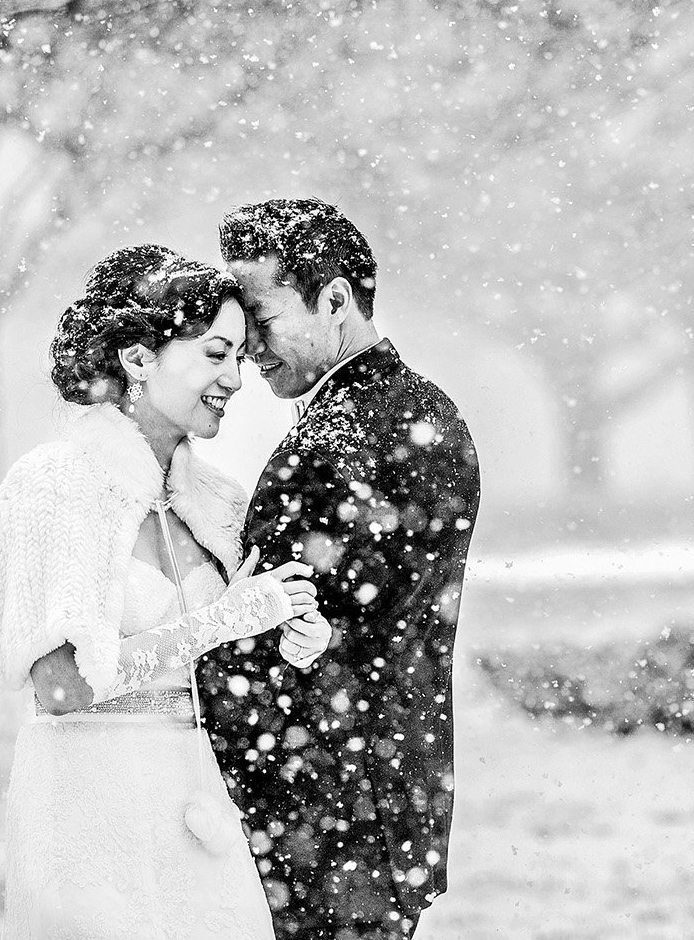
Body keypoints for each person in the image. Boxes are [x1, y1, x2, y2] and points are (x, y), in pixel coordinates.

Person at [0, 244, 334, 940]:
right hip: (92, 802)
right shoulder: (58, 486)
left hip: (201, 802)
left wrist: (292, 635)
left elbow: (232, 656)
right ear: (139, 358)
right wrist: (222, 619)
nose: (235, 377)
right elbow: (60, 685)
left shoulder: (216, 500)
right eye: (215, 353)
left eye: (240, 356)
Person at [200, 199, 482, 940]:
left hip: (324, 813)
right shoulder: (425, 410)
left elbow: (273, 638)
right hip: (386, 801)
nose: (248, 349)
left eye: (262, 318)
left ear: (334, 299)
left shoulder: (334, 442)